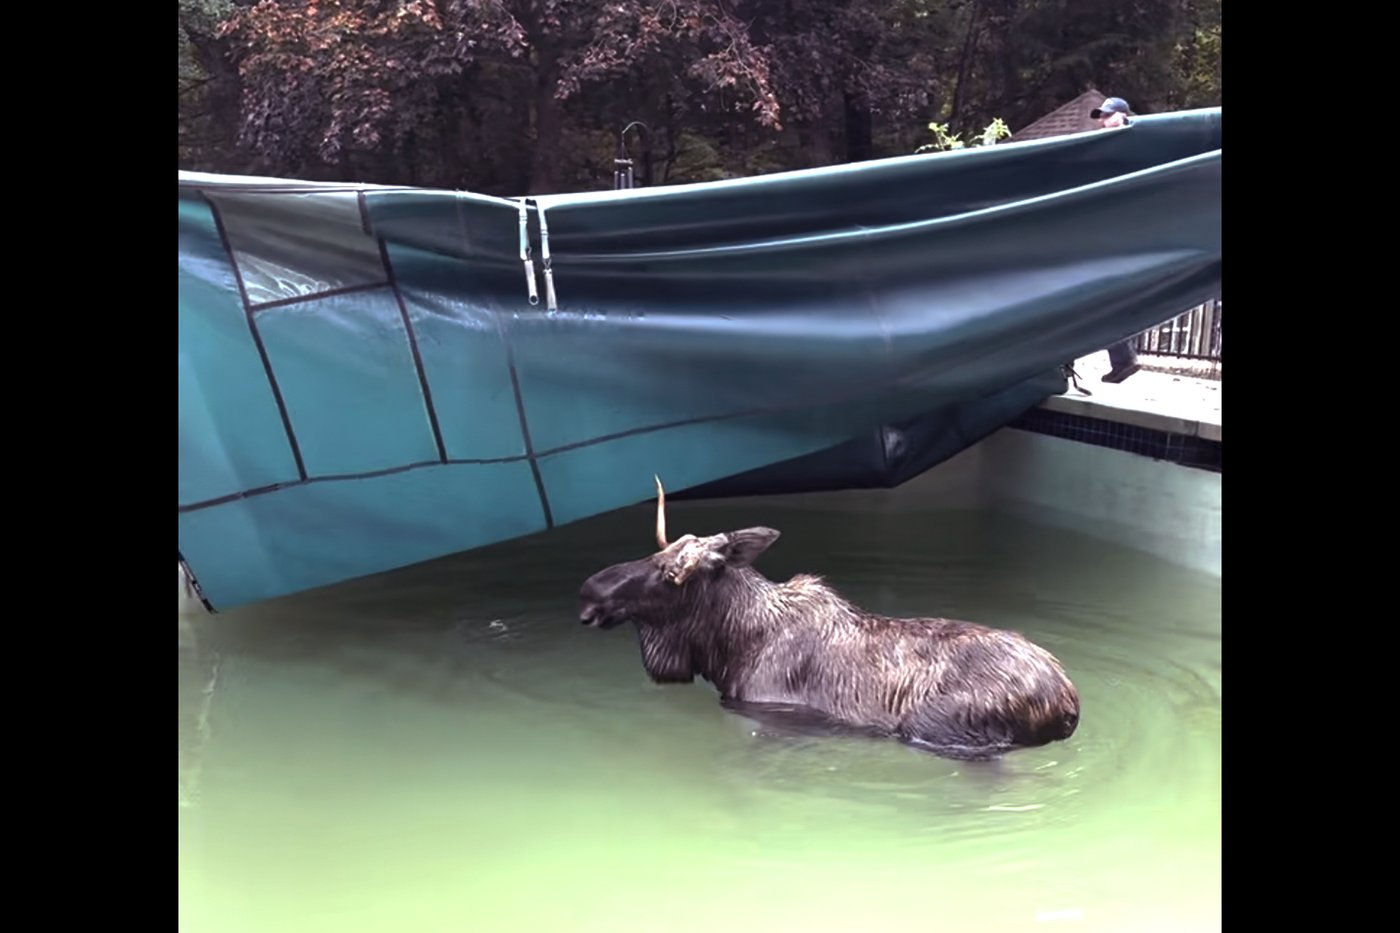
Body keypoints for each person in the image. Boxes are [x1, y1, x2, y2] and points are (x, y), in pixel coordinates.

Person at [1089, 96, 1141, 384]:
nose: (1102, 120)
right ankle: (1122, 358)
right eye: (1101, 116)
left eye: (1107, 115)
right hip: (1108, 232)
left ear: (1122, 115)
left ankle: (1123, 358)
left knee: (1101, 297)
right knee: (1101, 299)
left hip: (1120, 235)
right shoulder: (1104, 145)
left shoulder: (1131, 140)